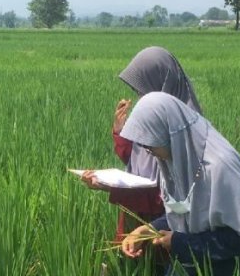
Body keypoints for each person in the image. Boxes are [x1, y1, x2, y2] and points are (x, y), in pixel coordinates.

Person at [119, 92, 240, 276]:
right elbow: (186, 209)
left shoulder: (219, 169)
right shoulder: (179, 161)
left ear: (169, 134)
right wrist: (151, 228)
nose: (148, 151)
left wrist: (179, 242)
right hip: (189, 271)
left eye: (150, 144)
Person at [81, 46, 203, 264]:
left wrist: (110, 186)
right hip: (135, 216)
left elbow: (172, 190)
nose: (140, 97)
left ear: (162, 85)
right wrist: (121, 132)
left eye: (144, 90)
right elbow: (138, 164)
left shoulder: (184, 127)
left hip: (165, 225)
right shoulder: (151, 114)